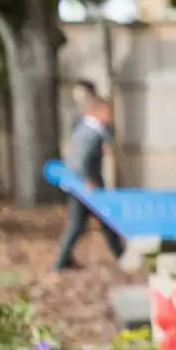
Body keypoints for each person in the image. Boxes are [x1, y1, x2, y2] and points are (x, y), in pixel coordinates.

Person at [49, 82, 125, 271]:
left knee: (82, 224)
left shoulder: (89, 131)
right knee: (98, 222)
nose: (109, 117)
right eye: (106, 112)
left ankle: (62, 260)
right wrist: (86, 181)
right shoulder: (90, 132)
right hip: (85, 186)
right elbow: (79, 160)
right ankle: (121, 256)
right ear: (96, 111)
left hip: (81, 185)